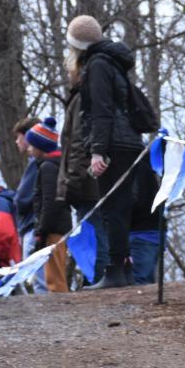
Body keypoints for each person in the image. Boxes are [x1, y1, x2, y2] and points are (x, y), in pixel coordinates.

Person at [67, 14, 146, 288]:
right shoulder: (114, 62)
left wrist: (97, 151)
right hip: (128, 141)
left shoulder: (98, 65)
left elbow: (101, 110)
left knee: (112, 208)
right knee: (120, 207)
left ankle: (114, 271)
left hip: (113, 143)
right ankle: (122, 270)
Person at [59, 37, 108, 285]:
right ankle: (95, 279)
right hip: (89, 181)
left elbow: (78, 142)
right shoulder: (80, 97)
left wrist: (73, 182)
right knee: (93, 234)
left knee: (94, 235)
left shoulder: (81, 98)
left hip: (87, 183)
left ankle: (98, 280)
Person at [26, 117, 71, 292]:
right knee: (51, 274)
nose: (28, 149)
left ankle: (61, 309)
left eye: (31, 145)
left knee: (54, 276)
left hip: (54, 229)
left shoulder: (48, 168)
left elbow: (50, 202)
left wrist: (41, 230)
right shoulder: (49, 166)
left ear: (40, 147)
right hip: (53, 228)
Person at [12, 116, 48, 293]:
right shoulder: (37, 163)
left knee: (40, 279)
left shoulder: (37, 163)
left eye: (18, 137)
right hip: (35, 226)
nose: (16, 142)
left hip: (34, 227)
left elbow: (22, 200)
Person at [128, 156, 163, 285]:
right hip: (148, 231)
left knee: (140, 280)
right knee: (144, 279)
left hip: (142, 233)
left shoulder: (138, 167)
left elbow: (137, 200)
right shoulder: (147, 165)